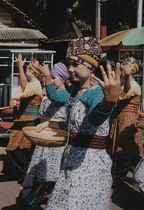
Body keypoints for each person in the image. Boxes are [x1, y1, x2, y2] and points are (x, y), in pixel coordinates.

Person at [36, 37, 121, 210]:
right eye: (69, 64)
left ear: (91, 66)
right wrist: (50, 124)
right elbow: (61, 103)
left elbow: (94, 119)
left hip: (89, 164)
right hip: (72, 157)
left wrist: (109, 102)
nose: (69, 69)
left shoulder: (96, 92)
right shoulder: (77, 90)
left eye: (75, 64)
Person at [19, 62, 70, 208]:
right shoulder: (49, 94)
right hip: (43, 138)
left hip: (55, 139)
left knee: (52, 173)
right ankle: (38, 198)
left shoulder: (64, 95)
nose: (51, 81)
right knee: (39, 171)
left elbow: (56, 99)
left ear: (63, 79)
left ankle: (49, 200)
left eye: (54, 78)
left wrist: (46, 76)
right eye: (51, 77)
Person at [4, 55, 43, 182]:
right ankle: (23, 172)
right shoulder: (34, 83)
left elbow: (25, 88)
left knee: (21, 148)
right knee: (17, 148)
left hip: (28, 120)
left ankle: (25, 173)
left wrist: (20, 66)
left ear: (31, 71)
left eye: (27, 70)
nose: (25, 72)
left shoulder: (35, 84)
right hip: (23, 119)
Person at [109, 57, 142, 185]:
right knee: (128, 150)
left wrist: (127, 76)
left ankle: (119, 176)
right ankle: (131, 173)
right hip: (122, 118)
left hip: (128, 120)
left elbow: (127, 90)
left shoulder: (133, 84)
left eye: (124, 69)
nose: (122, 71)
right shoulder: (125, 83)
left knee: (125, 149)